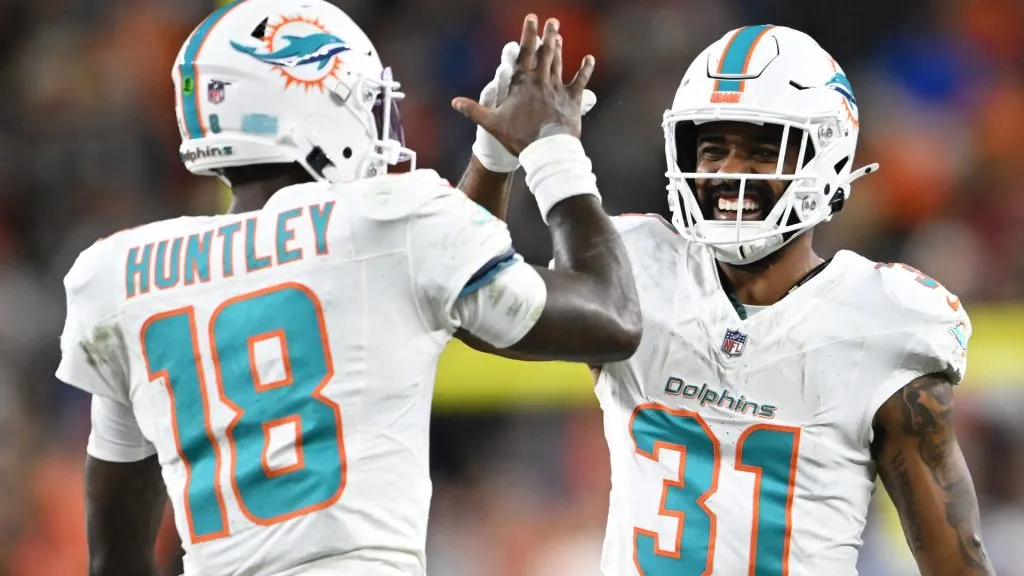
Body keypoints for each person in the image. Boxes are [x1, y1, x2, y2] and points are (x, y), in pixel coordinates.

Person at [54, 0, 640, 573]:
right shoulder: (393, 221)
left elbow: (116, 557)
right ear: (311, 102)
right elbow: (611, 318)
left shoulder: (119, 274)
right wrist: (555, 148)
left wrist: (492, 160)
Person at [463, 25, 995, 575]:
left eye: (764, 151)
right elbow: (472, 303)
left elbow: (956, 562)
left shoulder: (882, 322)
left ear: (825, 159)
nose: (728, 174)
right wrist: (495, 155)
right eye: (713, 148)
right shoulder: (634, 266)